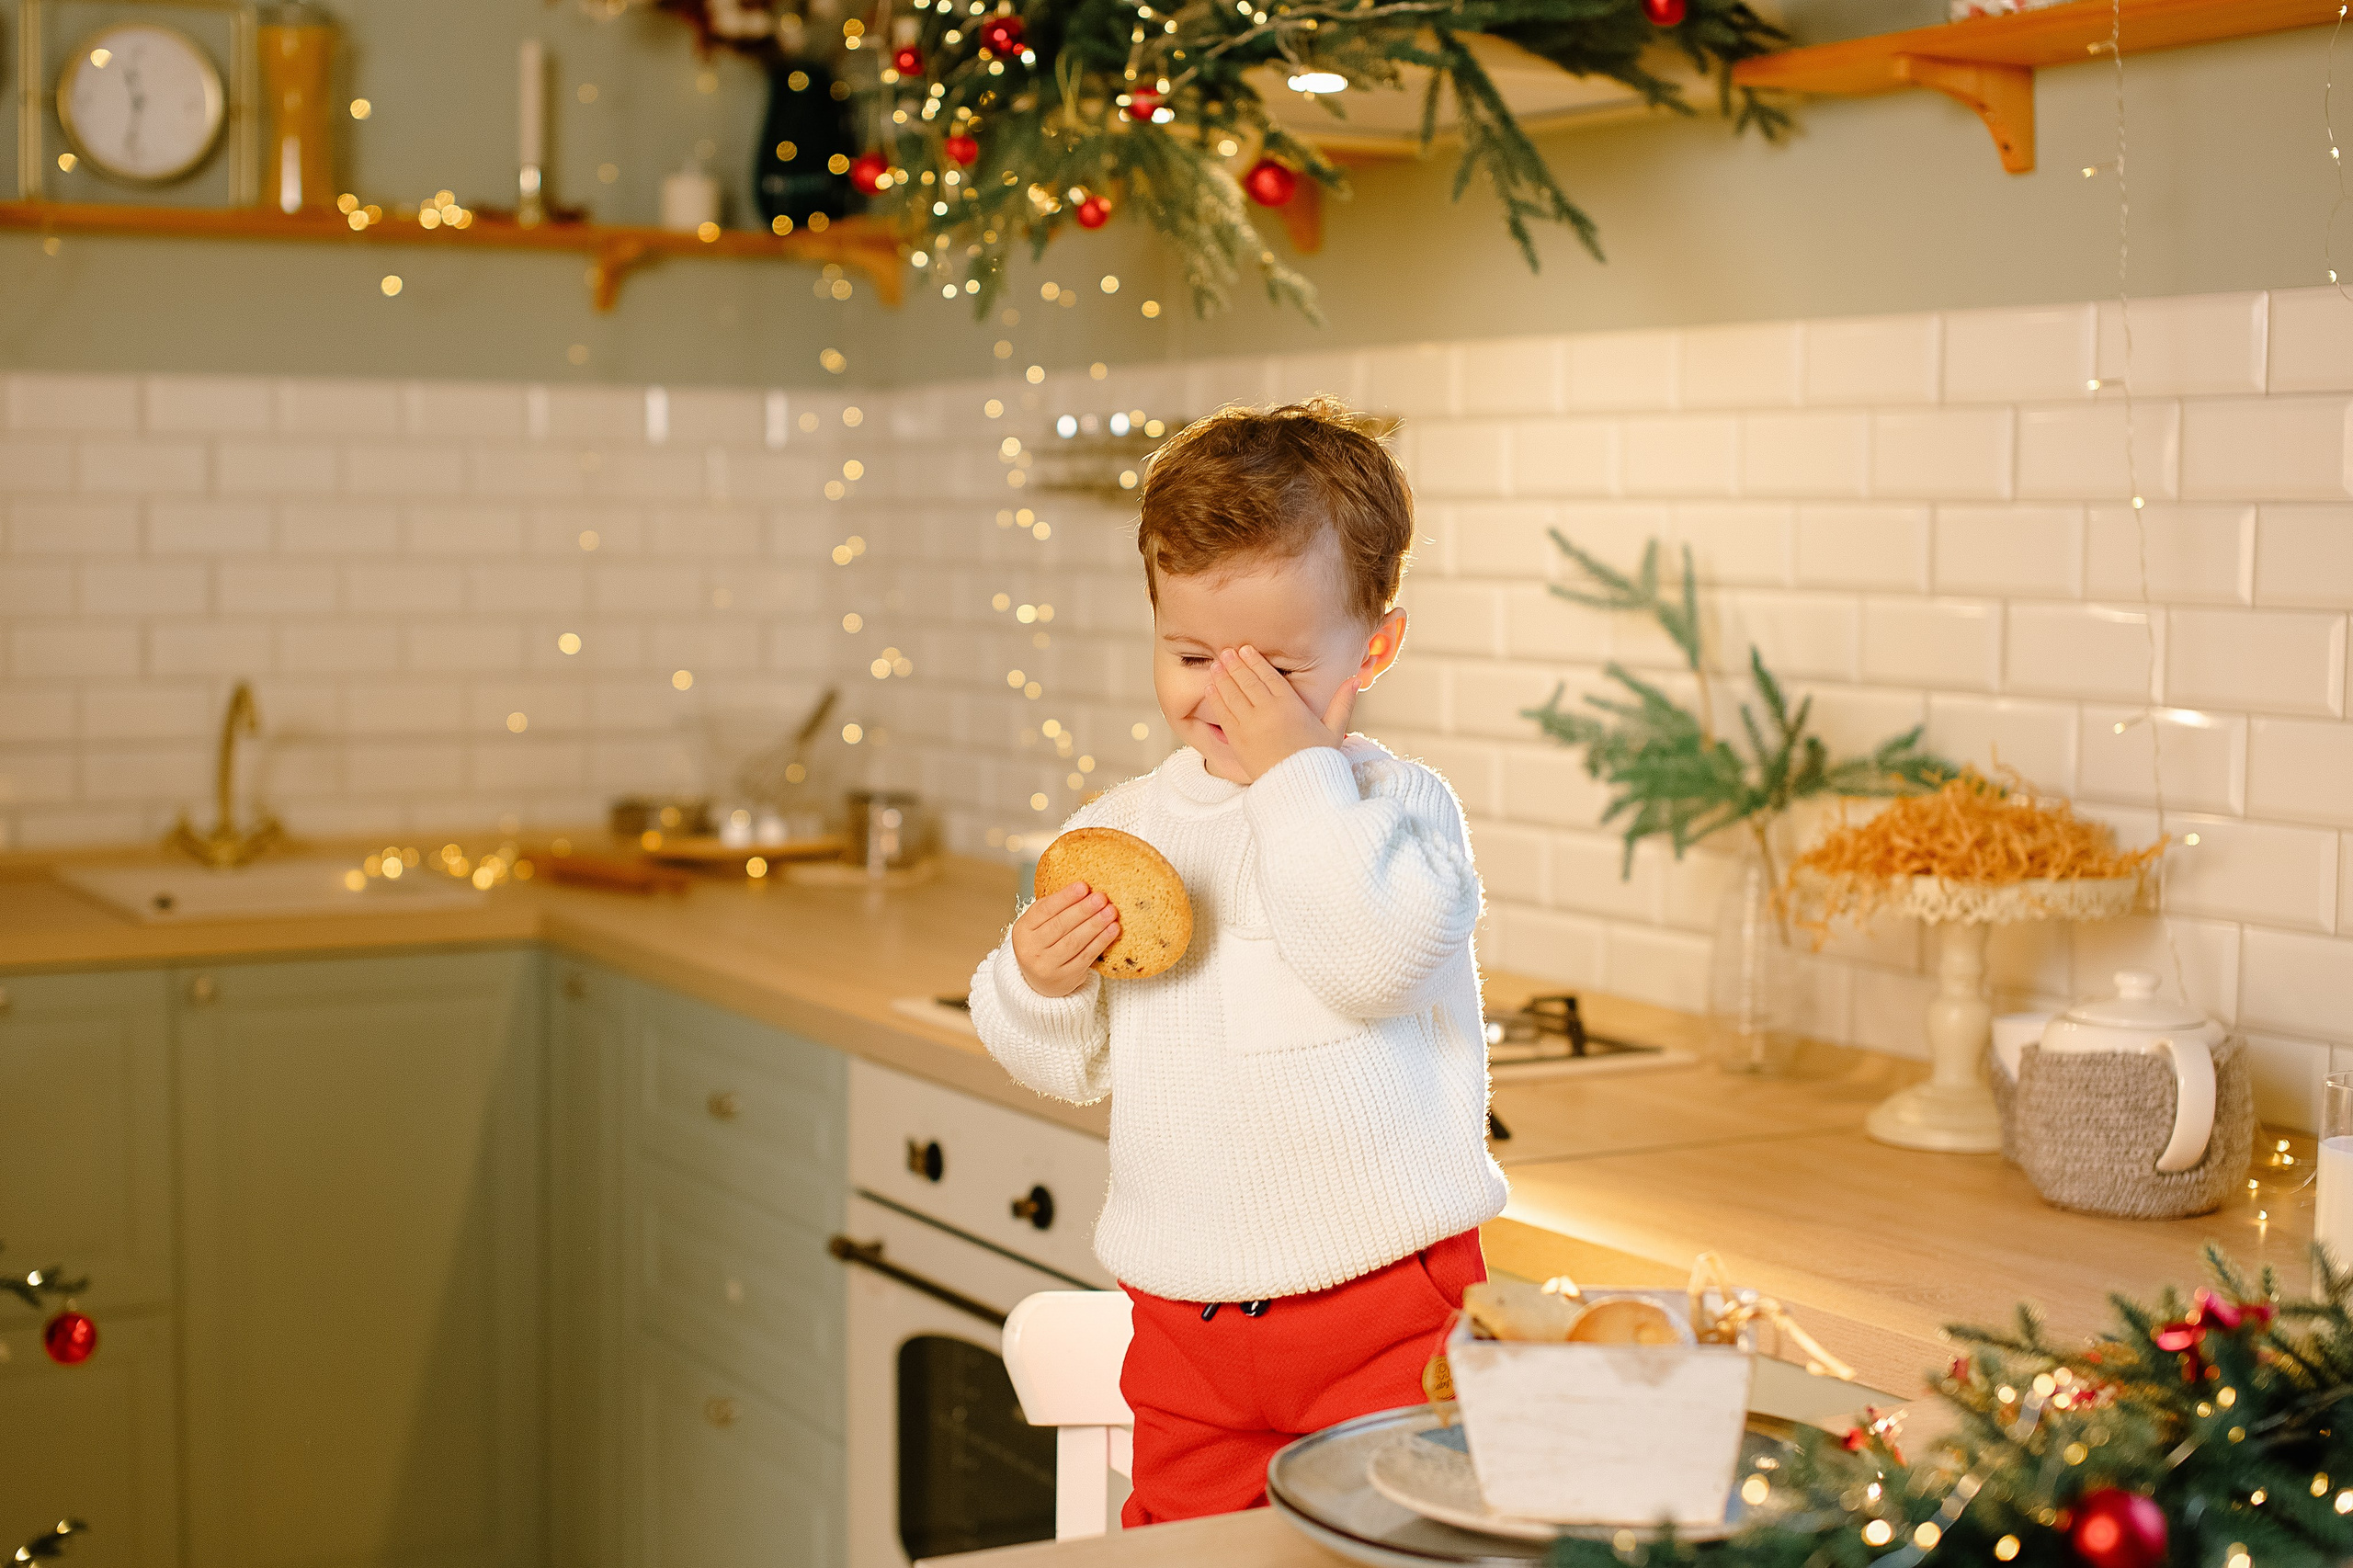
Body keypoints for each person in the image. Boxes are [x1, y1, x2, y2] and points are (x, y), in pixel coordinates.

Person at [968, 396, 1506, 1528]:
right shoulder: (1129, 825)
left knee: (1395, 1542)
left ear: (1376, 646)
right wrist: (1038, 980)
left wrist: (1293, 776)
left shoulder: (1395, 811)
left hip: (1383, 1301)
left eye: (1276, 668)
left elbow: (1370, 960)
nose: (1232, 698)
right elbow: (1061, 1065)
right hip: (1184, 1319)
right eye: (1195, 655)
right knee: (1183, 1549)